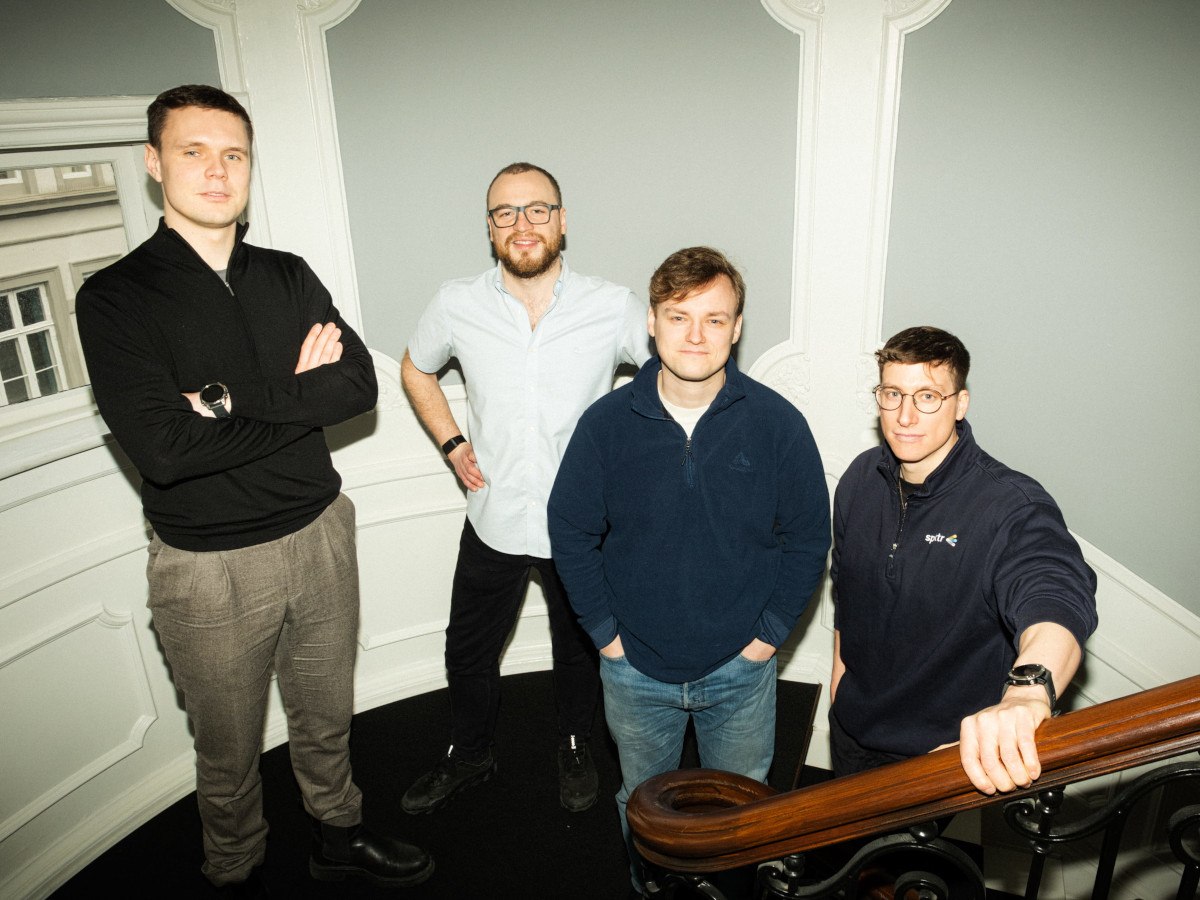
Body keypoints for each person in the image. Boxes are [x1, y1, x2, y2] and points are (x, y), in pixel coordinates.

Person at [75, 84, 432, 895]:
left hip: (320, 532)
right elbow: (165, 450)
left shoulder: (286, 274)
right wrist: (296, 397)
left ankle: (338, 835)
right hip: (210, 567)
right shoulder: (115, 297)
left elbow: (357, 389)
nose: (217, 170)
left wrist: (222, 401)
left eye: (233, 154)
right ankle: (234, 867)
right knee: (228, 750)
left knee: (326, 717)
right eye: (194, 151)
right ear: (154, 163)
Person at [548, 246, 831, 893]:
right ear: (652, 322)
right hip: (633, 671)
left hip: (740, 671)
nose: (696, 335)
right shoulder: (606, 425)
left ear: (736, 327)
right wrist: (606, 638)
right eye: (679, 317)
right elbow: (570, 532)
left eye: (714, 318)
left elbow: (808, 538)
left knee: (739, 810)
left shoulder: (777, 425)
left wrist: (767, 639)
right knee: (644, 806)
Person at [400, 162, 650, 815]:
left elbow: (670, 380)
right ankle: (470, 752)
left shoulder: (613, 305)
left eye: (538, 209)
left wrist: (629, 463)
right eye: (505, 212)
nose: (522, 224)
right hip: (493, 518)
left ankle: (574, 744)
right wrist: (453, 443)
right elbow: (416, 368)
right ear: (490, 228)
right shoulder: (456, 303)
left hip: (582, 526)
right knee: (467, 652)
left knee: (581, 650)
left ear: (562, 221)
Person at [830, 325, 1098, 795]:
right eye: (892, 394)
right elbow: (846, 600)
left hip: (939, 759)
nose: (905, 416)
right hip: (851, 735)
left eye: (927, 397)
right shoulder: (858, 479)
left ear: (960, 403)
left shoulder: (1009, 505)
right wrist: (839, 694)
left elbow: (1054, 593)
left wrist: (1029, 690)